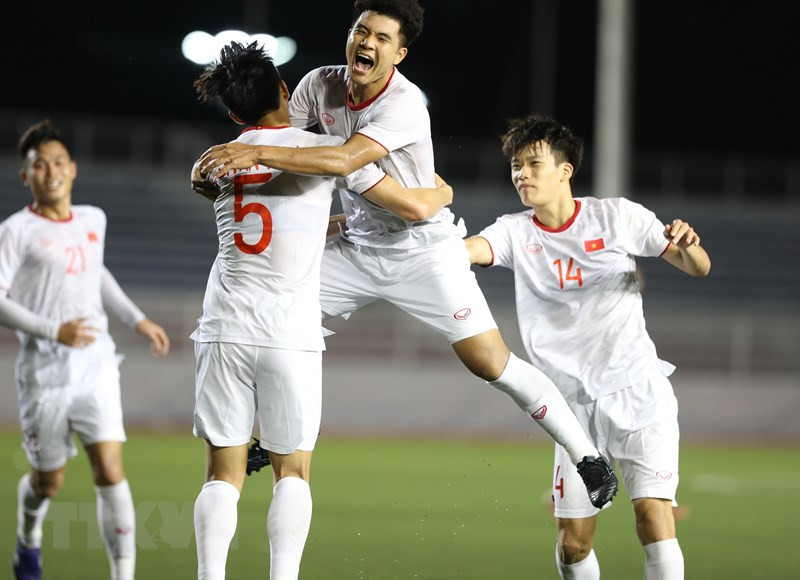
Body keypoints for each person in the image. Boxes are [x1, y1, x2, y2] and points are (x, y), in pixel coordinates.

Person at [193, 0, 617, 508]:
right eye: (360, 30)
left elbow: (341, 160)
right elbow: (292, 150)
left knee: (489, 362)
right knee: (273, 302)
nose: (366, 42)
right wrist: (215, 173)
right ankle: (265, 434)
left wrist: (253, 152)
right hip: (355, 243)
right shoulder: (316, 86)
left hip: (422, 248)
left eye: (381, 38)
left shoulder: (404, 103)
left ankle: (586, 455)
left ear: (400, 53)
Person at [190, 40, 453, 580]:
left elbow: (239, 199)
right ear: (286, 91)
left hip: (223, 326)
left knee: (223, 472)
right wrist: (440, 194)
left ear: (235, 113)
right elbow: (404, 203)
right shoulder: (323, 150)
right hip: (289, 331)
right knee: (293, 471)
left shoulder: (218, 160)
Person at [465, 115, 711, 580]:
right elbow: (472, 250)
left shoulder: (617, 216)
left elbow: (697, 266)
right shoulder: (515, 230)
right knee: (573, 544)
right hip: (571, 411)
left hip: (638, 392)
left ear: (565, 170)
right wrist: (433, 248)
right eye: (516, 166)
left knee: (653, 518)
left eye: (534, 163)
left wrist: (689, 245)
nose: (522, 174)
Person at [1, 119, 171, 580]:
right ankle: (28, 538)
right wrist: (52, 330)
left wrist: (137, 319)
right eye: (39, 165)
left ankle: (123, 575)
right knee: (48, 482)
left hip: (95, 363)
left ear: (72, 169)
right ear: (26, 176)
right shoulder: (16, 231)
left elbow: (97, 273)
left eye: (58, 161)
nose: (50, 170)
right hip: (43, 373)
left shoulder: (93, 218)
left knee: (110, 469)